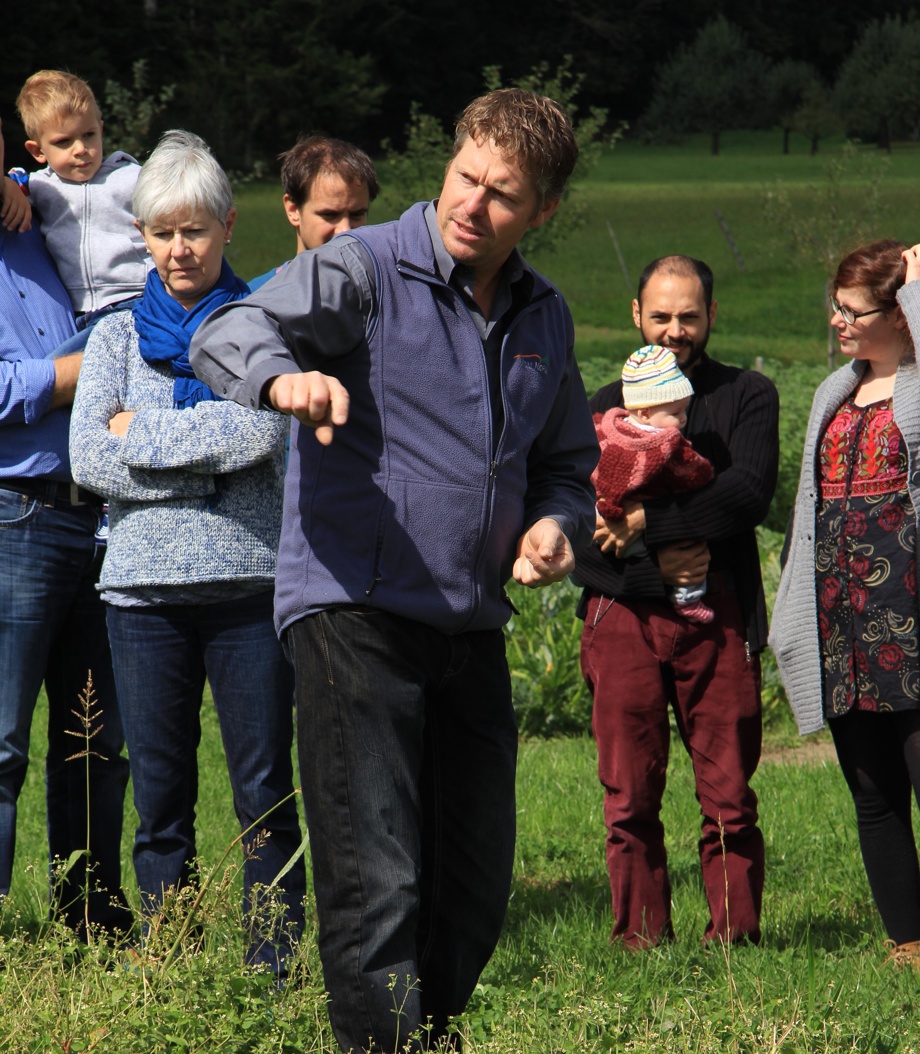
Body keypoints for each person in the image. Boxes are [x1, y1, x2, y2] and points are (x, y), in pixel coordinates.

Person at [190, 89, 598, 1052]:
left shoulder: (546, 316)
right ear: (449, 163)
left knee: (472, 880)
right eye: (466, 176)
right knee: (378, 880)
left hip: (469, 628)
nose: (473, 203)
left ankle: (427, 1038)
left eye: (504, 194)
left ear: (541, 210)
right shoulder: (363, 267)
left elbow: (568, 466)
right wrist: (283, 379)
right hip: (353, 613)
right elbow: (227, 329)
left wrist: (555, 525)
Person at [68, 130, 306, 977]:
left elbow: (260, 434)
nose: (179, 248)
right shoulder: (114, 340)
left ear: (228, 227)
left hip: (250, 587)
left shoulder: (263, 327)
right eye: (162, 232)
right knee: (160, 800)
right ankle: (169, 959)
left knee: (263, 793)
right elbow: (87, 459)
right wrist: (197, 457)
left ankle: (271, 964)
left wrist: (145, 441)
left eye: (194, 230)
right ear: (142, 236)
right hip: (141, 598)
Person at [574, 255, 779, 949]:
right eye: (660, 315)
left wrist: (643, 528)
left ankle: (736, 939)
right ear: (636, 314)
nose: (673, 330)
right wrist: (663, 564)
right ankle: (639, 938)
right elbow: (580, 533)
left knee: (728, 796)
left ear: (711, 316)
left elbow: (746, 493)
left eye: (689, 316)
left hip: (717, 617)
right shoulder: (600, 404)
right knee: (629, 795)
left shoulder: (746, 396)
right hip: (622, 614)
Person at [771, 239, 920, 967]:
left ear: (898, 315)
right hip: (844, 627)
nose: (836, 320)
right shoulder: (835, 391)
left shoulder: (918, 384)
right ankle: (908, 941)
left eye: (852, 311)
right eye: (835, 305)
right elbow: (808, 506)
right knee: (873, 788)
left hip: (913, 619)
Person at [0, 118, 131, 937]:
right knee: (3, 742)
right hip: (16, 513)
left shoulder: (35, 216)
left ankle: (90, 918)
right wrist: (80, 373)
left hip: (102, 513)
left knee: (95, 739)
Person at [16, 70, 149, 352]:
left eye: (89, 135)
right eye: (64, 141)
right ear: (38, 151)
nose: (81, 149)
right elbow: (14, 185)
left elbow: (171, 215)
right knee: (64, 372)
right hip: (81, 314)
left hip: (139, 299)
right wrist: (7, 184)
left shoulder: (130, 178)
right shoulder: (41, 187)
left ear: (101, 129)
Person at [592, 343, 714, 623]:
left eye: (685, 410)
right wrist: (704, 471)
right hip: (650, 537)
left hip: (606, 520)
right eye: (675, 413)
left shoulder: (608, 427)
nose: (683, 419)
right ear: (645, 412)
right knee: (691, 547)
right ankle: (688, 597)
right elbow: (694, 473)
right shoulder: (666, 445)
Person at [249, 134, 379, 290]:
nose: (345, 230)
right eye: (329, 215)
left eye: (357, 214)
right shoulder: (257, 299)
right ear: (293, 210)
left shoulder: (385, 296)